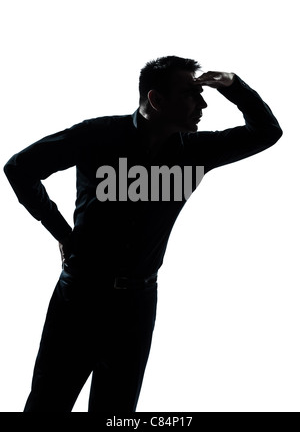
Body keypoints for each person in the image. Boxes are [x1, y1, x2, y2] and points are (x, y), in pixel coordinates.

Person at [4, 56, 282, 412]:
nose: (203, 104)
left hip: (137, 304)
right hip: (80, 297)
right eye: (191, 94)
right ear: (156, 100)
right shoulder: (98, 135)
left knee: (117, 413)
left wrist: (234, 86)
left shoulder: (196, 152)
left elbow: (267, 132)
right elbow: (20, 168)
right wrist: (62, 232)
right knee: (47, 403)